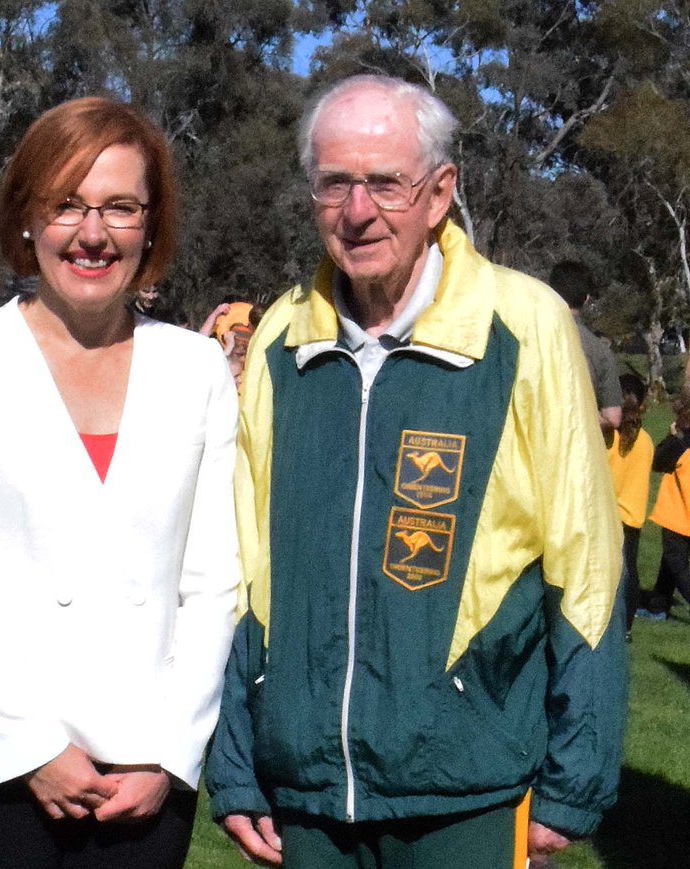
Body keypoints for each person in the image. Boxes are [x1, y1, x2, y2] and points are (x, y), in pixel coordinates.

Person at [205, 75, 625, 869]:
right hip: (306, 789)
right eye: (334, 183)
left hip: (467, 781)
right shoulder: (280, 339)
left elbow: (589, 561)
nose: (357, 211)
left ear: (439, 193)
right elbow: (241, 567)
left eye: (385, 183)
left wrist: (577, 777)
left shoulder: (524, 324)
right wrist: (235, 760)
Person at [0, 96, 240, 869]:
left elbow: (215, 584)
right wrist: (28, 744)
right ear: (26, 219)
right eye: (66, 206)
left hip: (141, 783)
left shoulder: (197, 368)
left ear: (151, 225)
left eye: (120, 206)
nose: (92, 234)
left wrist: (169, 752)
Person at [549, 260, 623, 434]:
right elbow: (613, 417)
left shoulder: (525, 338)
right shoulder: (600, 351)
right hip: (579, 448)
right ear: (586, 298)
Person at [606, 373, 654, 633]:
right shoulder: (645, 440)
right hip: (633, 515)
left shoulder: (608, 437)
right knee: (629, 572)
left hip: (608, 514)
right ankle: (626, 626)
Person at [642, 396, 690, 620]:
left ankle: (660, 605)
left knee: (677, 564)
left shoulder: (680, 444)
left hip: (679, 515)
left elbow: (658, 461)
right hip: (682, 515)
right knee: (670, 562)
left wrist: (670, 437)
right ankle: (658, 604)